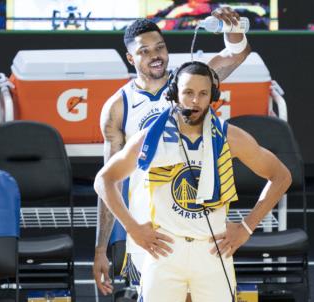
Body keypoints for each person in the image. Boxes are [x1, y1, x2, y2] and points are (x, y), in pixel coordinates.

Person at [94, 61, 292, 302]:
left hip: (212, 251)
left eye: (203, 93)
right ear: (174, 93)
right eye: (188, 92)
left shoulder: (230, 136)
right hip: (165, 250)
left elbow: (281, 176)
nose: (195, 101)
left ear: (213, 96)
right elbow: (104, 180)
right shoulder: (149, 138)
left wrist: (247, 227)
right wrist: (132, 228)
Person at [93, 6, 252, 296]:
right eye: (145, 51)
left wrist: (234, 33)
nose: (156, 55)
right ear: (131, 58)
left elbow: (236, 54)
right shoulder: (118, 107)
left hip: (200, 222)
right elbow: (108, 181)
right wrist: (101, 248)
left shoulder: (189, 82)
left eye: (160, 47)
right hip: (151, 231)